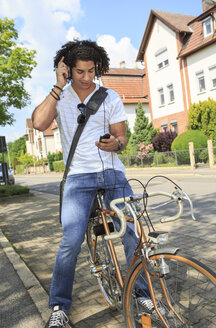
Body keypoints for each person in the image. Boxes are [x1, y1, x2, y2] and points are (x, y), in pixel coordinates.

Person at [32, 40, 164, 328]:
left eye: (92, 71)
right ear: (66, 68)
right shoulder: (61, 98)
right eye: (79, 71)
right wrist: (58, 85)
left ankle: (140, 293)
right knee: (71, 241)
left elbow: (122, 138)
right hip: (78, 178)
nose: (87, 77)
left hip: (113, 173)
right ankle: (59, 307)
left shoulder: (111, 97)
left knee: (132, 231)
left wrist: (114, 144)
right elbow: (39, 123)